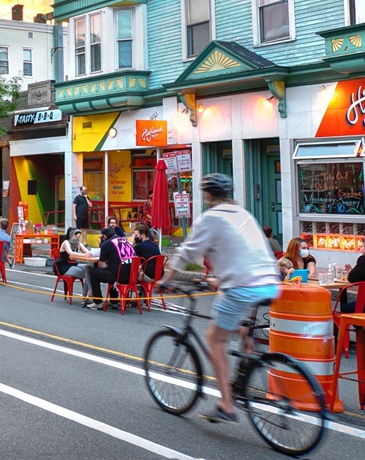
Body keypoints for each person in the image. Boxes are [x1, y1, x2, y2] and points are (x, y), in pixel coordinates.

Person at [158, 173, 280, 425]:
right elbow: (242, 254)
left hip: (243, 286)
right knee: (235, 322)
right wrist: (219, 279)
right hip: (269, 282)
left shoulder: (211, 218)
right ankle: (248, 357)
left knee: (214, 339)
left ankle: (226, 405)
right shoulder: (244, 215)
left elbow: (186, 251)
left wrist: (167, 280)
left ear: (208, 195)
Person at [83, 227, 136, 309]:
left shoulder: (106, 244)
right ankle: (113, 301)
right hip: (132, 275)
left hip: (118, 277)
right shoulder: (125, 241)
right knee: (113, 269)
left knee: (93, 272)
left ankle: (98, 302)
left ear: (104, 236)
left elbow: (103, 265)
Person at [54, 226, 92, 298]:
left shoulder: (78, 243)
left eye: (78, 236)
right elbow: (71, 253)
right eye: (75, 236)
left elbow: (87, 252)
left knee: (88, 268)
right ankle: (87, 294)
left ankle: (88, 293)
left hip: (73, 264)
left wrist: (91, 253)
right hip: (64, 266)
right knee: (88, 274)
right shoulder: (66, 242)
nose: (77, 238)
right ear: (71, 235)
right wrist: (84, 255)